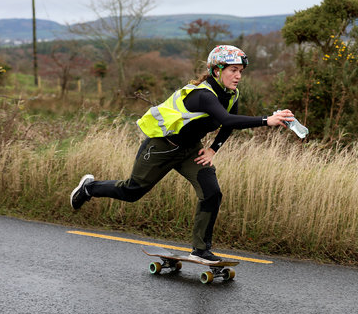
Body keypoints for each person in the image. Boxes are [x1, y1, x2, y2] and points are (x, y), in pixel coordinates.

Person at [70, 45, 294, 264]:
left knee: (212, 193)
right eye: (233, 70)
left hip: (190, 151)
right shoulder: (203, 95)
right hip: (162, 147)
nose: (238, 76)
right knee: (132, 192)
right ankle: (89, 188)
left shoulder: (231, 94)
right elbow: (227, 120)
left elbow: (228, 124)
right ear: (217, 70)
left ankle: (201, 250)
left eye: (240, 72)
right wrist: (267, 120)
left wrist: (213, 149)